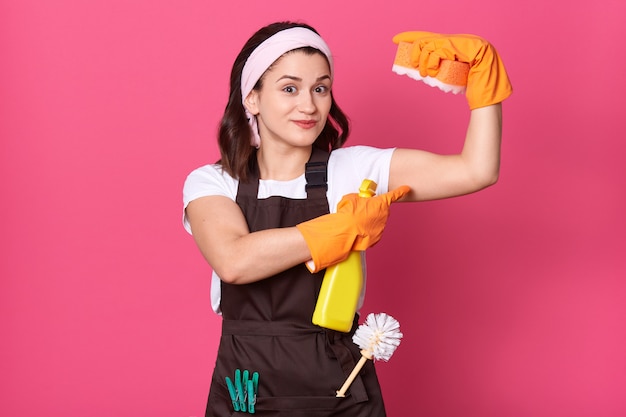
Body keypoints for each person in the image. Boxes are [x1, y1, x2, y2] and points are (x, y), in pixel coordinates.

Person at [183, 21, 511, 417]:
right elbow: (234, 260)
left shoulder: (354, 169)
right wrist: (343, 228)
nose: (308, 105)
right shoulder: (214, 181)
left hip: (339, 386)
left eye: (320, 88)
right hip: (246, 390)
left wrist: (484, 85)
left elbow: (476, 171)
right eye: (289, 88)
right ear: (251, 98)